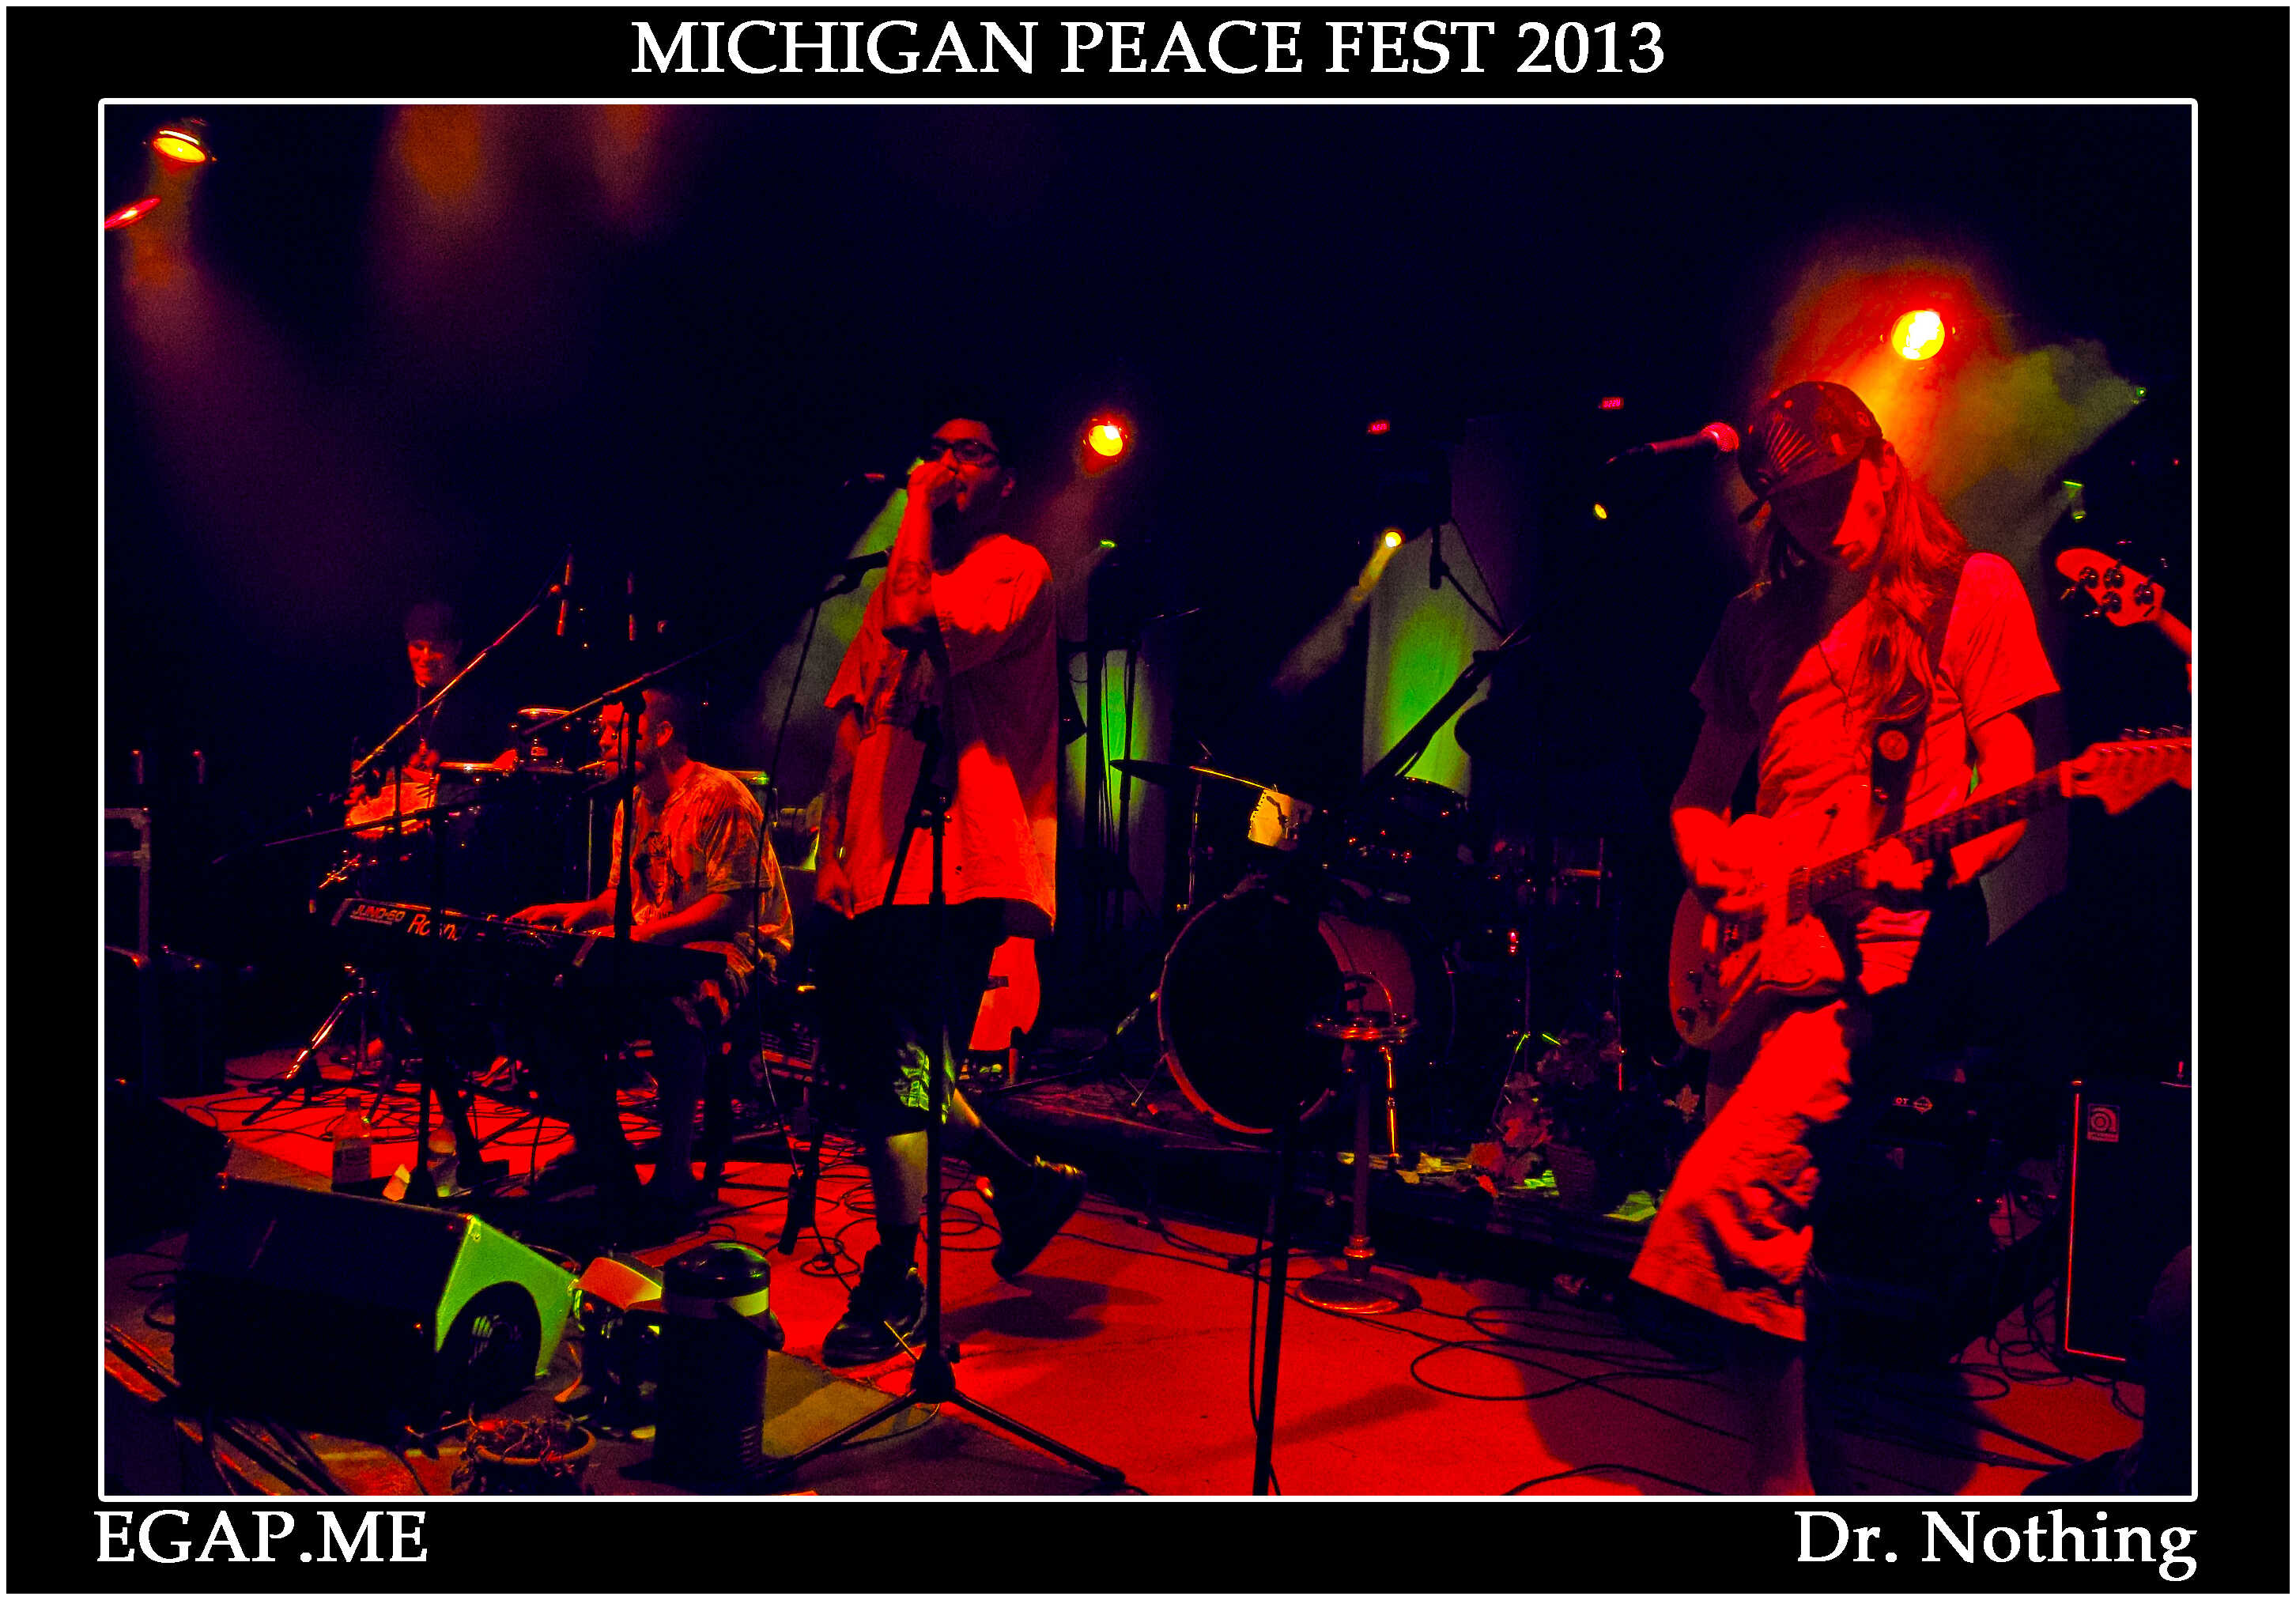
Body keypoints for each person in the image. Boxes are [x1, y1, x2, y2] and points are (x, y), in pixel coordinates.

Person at [1626, 381, 2060, 1492]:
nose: (1821, 520)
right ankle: (1805, 1463)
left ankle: (1785, 1493)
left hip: (1886, 953)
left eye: (1834, 490)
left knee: (1731, 1196)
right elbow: (1698, 795)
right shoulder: (1753, 623)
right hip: (1753, 952)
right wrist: (1713, 865)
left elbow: (2013, 781)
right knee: (1762, 1234)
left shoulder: (1970, 591)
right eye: (1795, 504)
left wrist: (1936, 860)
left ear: (1883, 461)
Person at [808, 413, 1085, 1368]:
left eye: (971, 451)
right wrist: (833, 850)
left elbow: (911, 619)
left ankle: (898, 1274)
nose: (946, 463)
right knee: (891, 1064)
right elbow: (853, 725)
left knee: (898, 1069)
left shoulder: (1015, 567)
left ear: (1004, 480)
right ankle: (1025, 1183)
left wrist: (918, 508)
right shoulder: (899, 573)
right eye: (937, 448)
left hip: (959, 860)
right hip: (878, 864)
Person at [512, 684, 793, 1212]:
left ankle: (674, 1171)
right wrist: (568, 914)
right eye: (602, 730)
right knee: (551, 995)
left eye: (615, 729)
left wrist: (639, 937)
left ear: (661, 733)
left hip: (739, 947)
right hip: (659, 944)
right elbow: (624, 897)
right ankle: (598, 1145)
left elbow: (731, 907)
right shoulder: (634, 805)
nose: (602, 740)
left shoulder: (722, 796)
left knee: (678, 1004)